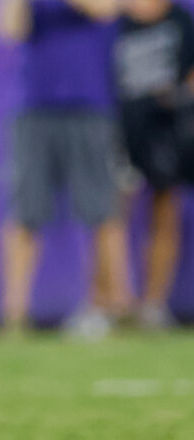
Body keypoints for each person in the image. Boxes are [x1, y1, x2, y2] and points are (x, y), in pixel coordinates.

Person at [0, 0, 133, 338]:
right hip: (34, 108)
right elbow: (9, 29)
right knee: (24, 211)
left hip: (90, 106)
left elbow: (104, 9)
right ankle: (14, 315)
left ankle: (117, 306)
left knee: (102, 209)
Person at [114, 0, 194, 329]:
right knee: (110, 215)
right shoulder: (115, 20)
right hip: (122, 126)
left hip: (167, 129)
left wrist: (177, 96)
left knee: (165, 211)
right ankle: (111, 302)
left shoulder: (179, 19)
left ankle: (153, 305)